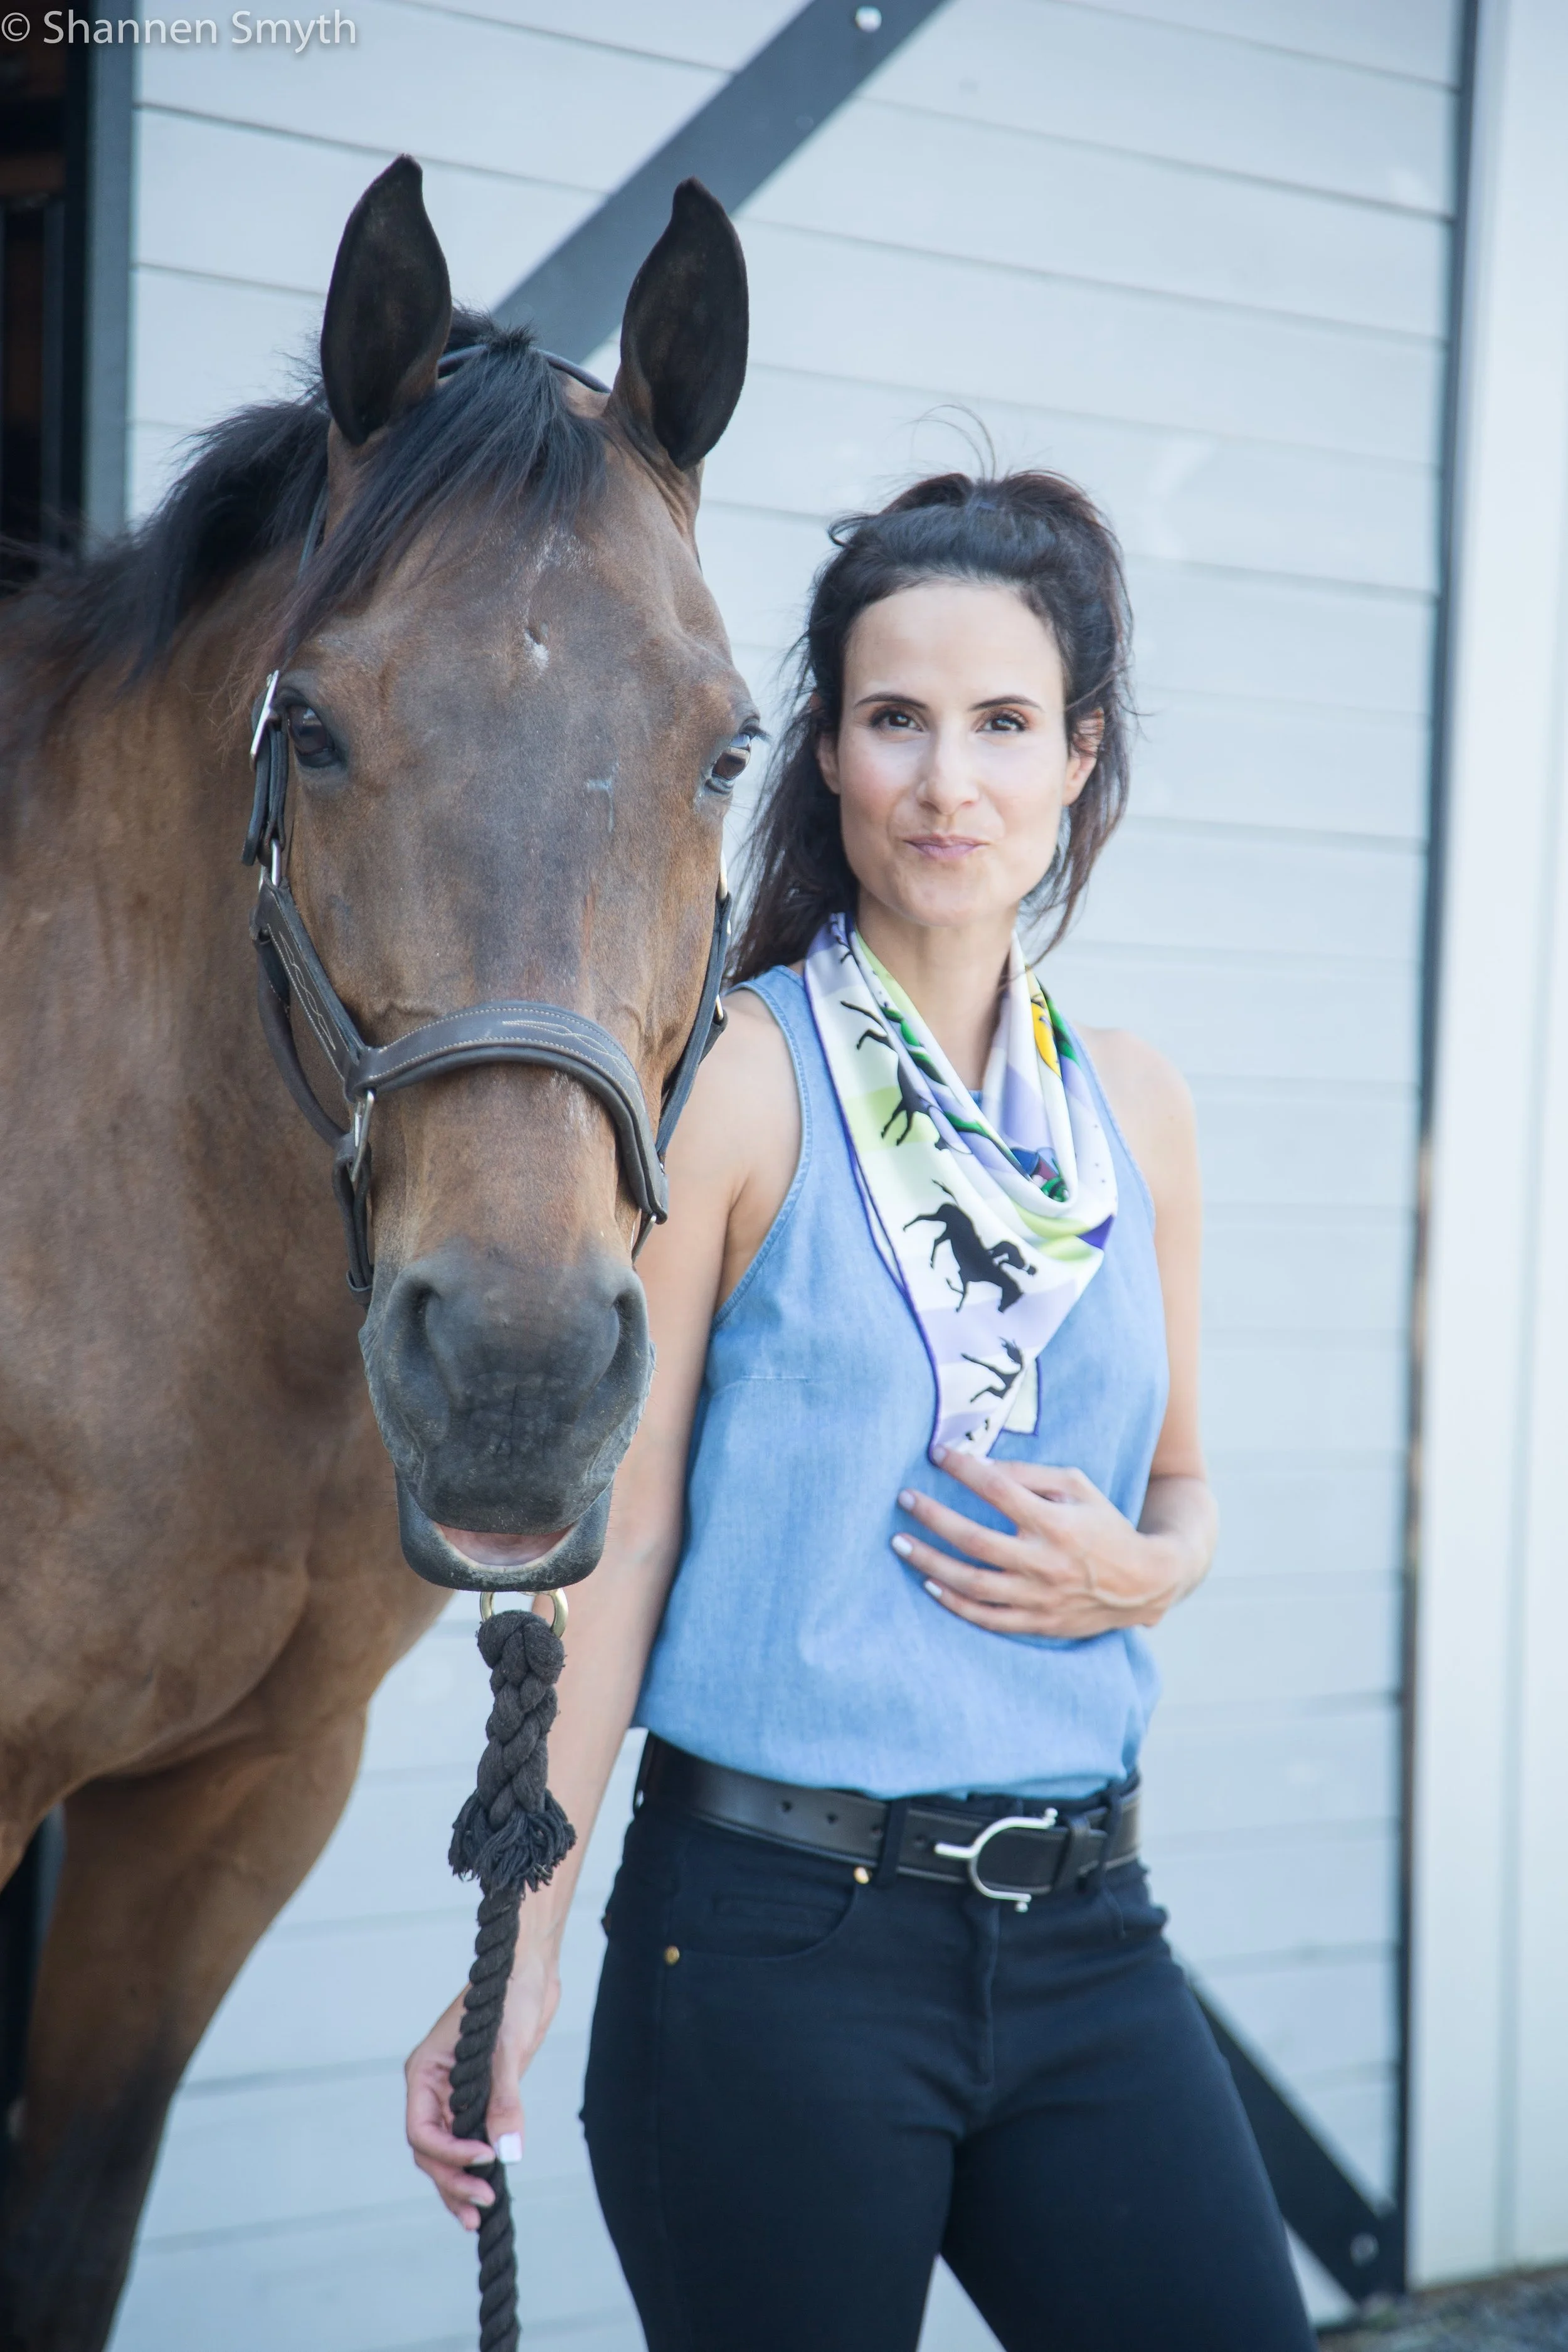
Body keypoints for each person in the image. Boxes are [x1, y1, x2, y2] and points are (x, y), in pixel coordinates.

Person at [405, 470, 1316, 2352]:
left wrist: (1142, 1571)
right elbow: (625, 1533)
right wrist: (528, 1937)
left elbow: (1188, 1486)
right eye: (894, 719)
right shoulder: (740, 1073)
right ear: (824, 752)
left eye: (1000, 726)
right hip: (771, 1939)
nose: (943, 780)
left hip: (1083, 1933)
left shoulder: (1130, 1108)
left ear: (1078, 758)